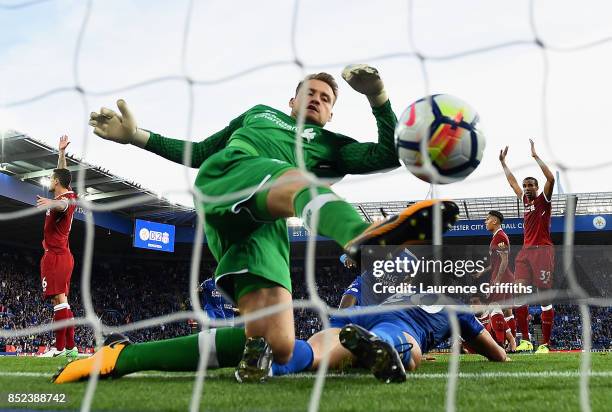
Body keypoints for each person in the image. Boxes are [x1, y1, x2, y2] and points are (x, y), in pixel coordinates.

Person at [84, 64, 460, 382]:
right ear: (292, 101)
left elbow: (388, 154)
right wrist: (136, 136)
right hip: (227, 178)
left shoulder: (331, 147)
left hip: (266, 227)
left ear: (331, 115)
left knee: (276, 345)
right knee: (296, 178)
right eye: (310, 93)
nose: (317, 99)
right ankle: (361, 236)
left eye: (326, 98)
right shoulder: (259, 114)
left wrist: (377, 96)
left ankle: (123, 357)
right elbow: (200, 152)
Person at [52, 293, 507, 385]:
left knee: (323, 345)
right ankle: (394, 352)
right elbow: (498, 356)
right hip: (401, 328)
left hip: (352, 318)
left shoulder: (401, 285)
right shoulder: (461, 309)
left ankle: (277, 361)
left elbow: (351, 297)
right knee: (406, 346)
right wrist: (473, 336)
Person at [499, 139, 555, 353]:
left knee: (543, 297)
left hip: (542, 250)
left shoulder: (544, 200)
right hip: (525, 252)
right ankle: (526, 340)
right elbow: (512, 182)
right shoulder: (524, 201)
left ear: (537, 187)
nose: (527, 188)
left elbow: (550, 178)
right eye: (525, 186)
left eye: (531, 185)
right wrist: (503, 163)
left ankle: (545, 344)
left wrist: (535, 156)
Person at [36, 135, 78, 359]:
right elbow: (63, 175)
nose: (50, 180)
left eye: (52, 179)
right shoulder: (68, 192)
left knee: (58, 301)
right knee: (63, 301)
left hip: (56, 256)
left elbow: (62, 206)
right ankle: (70, 346)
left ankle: (59, 349)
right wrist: (61, 154)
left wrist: (52, 203)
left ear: (56, 183)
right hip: (63, 255)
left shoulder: (64, 200)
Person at [473, 210, 516, 340]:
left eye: (487, 219)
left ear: (495, 221)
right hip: (505, 277)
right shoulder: (496, 237)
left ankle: (501, 343)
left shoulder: (500, 237)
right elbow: (494, 264)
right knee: (507, 310)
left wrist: (497, 279)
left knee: (494, 308)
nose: (485, 222)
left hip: (502, 278)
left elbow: (505, 260)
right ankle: (511, 343)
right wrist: (482, 272)